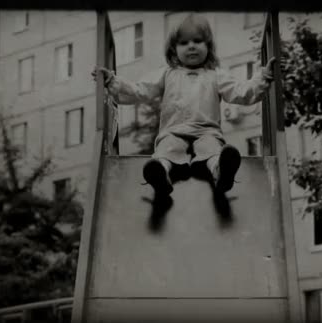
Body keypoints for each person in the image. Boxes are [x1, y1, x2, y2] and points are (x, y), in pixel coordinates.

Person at [93, 13, 275, 197]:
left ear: (208, 46)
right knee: (166, 151)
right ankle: (160, 174)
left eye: (198, 41)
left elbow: (241, 92)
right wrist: (113, 82)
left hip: (206, 131)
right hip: (173, 131)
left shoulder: (216, 74)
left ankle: (221, 173)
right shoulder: (167, 74)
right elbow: (140, 90)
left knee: (212, 150)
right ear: (173, 49)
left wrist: (263, 78)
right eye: (184, 42)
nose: (192, 46)